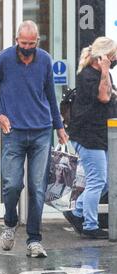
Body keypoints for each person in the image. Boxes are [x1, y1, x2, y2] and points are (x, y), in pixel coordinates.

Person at [0, 20, 69, 258]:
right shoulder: (4, 59)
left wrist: (59, 127)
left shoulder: (44, 60)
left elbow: (51, 95)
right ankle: (10, 223)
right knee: (12, 185)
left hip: (42, 131)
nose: (27, 48)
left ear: (37, 42)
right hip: (14, 132)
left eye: (32, 44)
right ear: (16, 40)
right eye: (23, 43)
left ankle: (34, 240)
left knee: (38, 188)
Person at [63, 37, 117, 239]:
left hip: (101, 136)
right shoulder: (88, 75)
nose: (114, 59)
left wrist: (106, 72)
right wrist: (105, 70)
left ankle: (77, 212)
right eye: (112, 56)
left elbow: (110, 96)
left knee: (107, 181)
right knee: (97, 180)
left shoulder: (103, 74)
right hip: (88, 136)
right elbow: (103, 97)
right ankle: (90, 224)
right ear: (102, 57)